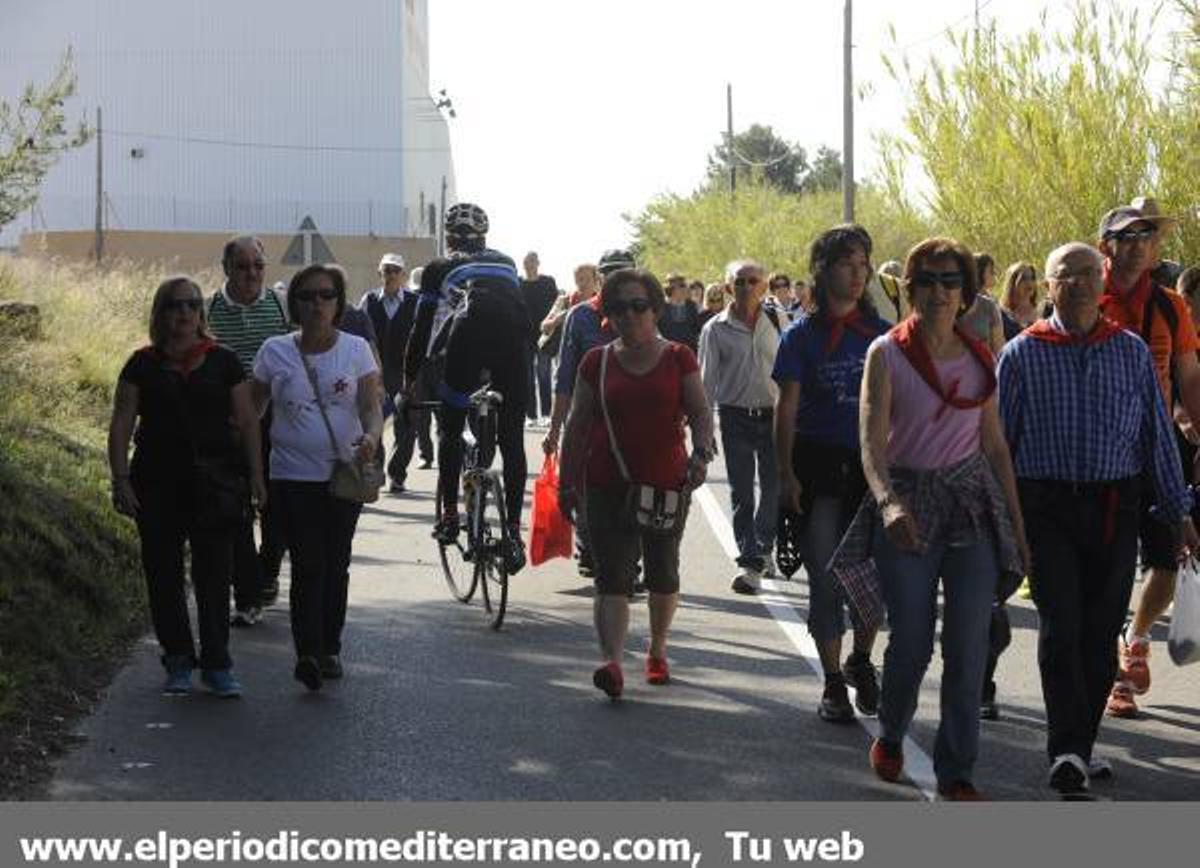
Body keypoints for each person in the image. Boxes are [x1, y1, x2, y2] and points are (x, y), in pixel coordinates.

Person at [832, 237, 1028, 801]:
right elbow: (871, 443)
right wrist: (888, 502)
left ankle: (957, 771)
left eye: (951, 281)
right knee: (912, 642)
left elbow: (994, 447)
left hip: (970, 508)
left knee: (968, 646)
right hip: (908, 508)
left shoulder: (980, 357)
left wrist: (1015, 523)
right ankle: (892, 731)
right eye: (928, 280)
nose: (939, 291)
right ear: (910, 289)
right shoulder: (886, 353)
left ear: (966, 293)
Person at [997, 242, 1197, 795]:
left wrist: (1179, 512)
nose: (1079, 284)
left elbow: (1157, 439)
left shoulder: (1129, 352)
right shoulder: (1020, 355)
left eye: (1088, 273)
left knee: (1100, 630)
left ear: (1099, 279)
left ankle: (1078, 747)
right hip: (1047, 509)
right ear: (1050, 286)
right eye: (1067, 276)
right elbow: (998, 445)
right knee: (1061, 626)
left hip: (1116, 509)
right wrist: (1000, 520)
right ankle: (1066, 749)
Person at [558, 268, 714, 698]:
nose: (629, 315)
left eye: (638, 306)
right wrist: (567, 482)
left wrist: (701, 453)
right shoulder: (597, 361)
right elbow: (578, 425)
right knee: (612, 575)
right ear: (607, 315)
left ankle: (658, 648)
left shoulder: (679, 356)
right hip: (606, 482)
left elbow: (700, 412)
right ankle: (611, 662)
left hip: (666, 483)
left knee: (663, 572)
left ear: (656, 309)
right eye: (618, 308)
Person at [108, 276, 267, 698]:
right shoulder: (141, 363)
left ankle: (217, 664)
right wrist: (119, 477)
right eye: (176, 305)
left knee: (215, 575)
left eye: (193, 305)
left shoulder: (224, 361)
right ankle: (177, 658)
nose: (185, 313)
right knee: (162, 573)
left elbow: (248, 421)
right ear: (161, 312)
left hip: (215, 483)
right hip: (155, 483)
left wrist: (256, 476)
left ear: (202, 313)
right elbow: (122, 422)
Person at [773, 225, 891, 722]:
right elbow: (786, 408)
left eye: (864, 264)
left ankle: (861, 659)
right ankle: (832, 682)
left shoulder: (882, 336)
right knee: (825, 581)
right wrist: (785, 475)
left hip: (874, 474)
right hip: (819, 471)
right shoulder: (801, 336)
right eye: (847, 264)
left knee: (875, 581)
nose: (858, 273)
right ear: (823, 272)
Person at [252, 264, 382, 691]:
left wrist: (372, 436)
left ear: (339, 303)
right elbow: (250, 414)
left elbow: (370, 406)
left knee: (336, 560)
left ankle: (330, 647)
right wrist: (250, 468)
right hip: (291, 474)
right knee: (308, 561)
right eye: (307, 296)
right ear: (295, 304)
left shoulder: (357, 349)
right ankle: (307, 652)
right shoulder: (275, 351)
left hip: (343, 473)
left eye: (326, 295)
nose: (317, 303)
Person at [1095, 197, 1200, 720]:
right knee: (1111, 568)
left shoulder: (1170, 305)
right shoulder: (1085, 299)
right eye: (1127, 237)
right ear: (1105, 248)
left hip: (1159, 452)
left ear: (1157, 249)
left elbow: (1189, 377)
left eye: (1146, 237)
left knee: (1165, 559)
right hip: (1100, 457)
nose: (1137, 247)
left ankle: (1134, 640)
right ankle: (1116, 670)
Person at [402, 203, 529, 572]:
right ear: (484, 236)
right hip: (512, 347)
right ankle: (512, 533)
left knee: (452, 430)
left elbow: (421, 327)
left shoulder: (438, 269)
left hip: (466, 341)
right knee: (512, 441)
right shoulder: (506, 262)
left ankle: (449, 515)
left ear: (449, 237)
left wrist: (411, 379)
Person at [206, 236, 291, 626]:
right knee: (235, 508)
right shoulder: (207, 311)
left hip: (276, 421)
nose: (252, 274)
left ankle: (267, 569)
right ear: (226, 269)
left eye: (258, 265)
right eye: (242, 266)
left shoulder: (280, 307)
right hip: (223, 425)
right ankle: (247, 595)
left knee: (275, 506)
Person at [698, 259, 791, 593]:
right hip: (735, 416)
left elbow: (792, 371)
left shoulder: (778, 319)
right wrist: (703, 431)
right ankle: (750, 562)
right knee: (741, 493)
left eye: (753, 281)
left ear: (764, 287)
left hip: (774, 415)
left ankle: (764, 546)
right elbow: (706, 383)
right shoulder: (715, 329)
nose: (746, 287)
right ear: (727, 288)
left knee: (773, 488)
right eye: (739, 282)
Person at [544, 249, 634, 579]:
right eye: (610, 274)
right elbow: (565, 376)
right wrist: (554, 430)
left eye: (625, 273)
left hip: (632, 422)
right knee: (586, 489)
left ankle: (628, 561)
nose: (618, 280)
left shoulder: (648, 313)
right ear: (599, 279)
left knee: (632, 491)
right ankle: (592, 548)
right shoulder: (580, 317)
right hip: (587, 420)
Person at [361, 253, 425, 493]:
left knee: (407, 426)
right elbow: (360, 335)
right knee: (372, 423)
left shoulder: (415, 302)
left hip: (406, 373)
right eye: (386, 270)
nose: (390, 275)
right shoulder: (369, 301)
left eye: (395, 271)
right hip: (374, 372)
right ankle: (376, 472)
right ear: (379, 273)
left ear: (403, 275)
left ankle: (398, 474)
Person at [520, 251, 560, 425]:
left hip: (544, 335)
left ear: (538, 263)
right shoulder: (518, 283)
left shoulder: (548, 282)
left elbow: (558, 305)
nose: (529, 265)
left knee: (544, 375)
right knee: (527, 377)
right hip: (524, 336)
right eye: (527, 262)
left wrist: (554, 326)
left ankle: (546, 414)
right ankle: (530, 416)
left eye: (532, 262)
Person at [956, 253, 1005, 353]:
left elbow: (998, 348)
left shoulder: (990, 305)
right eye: (991, 271)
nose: (994, 274)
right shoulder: (955, 302)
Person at [657, 273, 702, 353]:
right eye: (681, 285)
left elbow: (697, 329)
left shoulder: (691, 306)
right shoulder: (660, 307)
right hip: (667, 353)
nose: (686, 288)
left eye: (684, 285)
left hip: (690, 352)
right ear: (670, 288)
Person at [999, 262, 1039, 341]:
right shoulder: (1001, 314)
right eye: (1023, 279)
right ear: (1012, 283)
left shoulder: (1042, 311)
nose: (1029, 283)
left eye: (1032, 278)